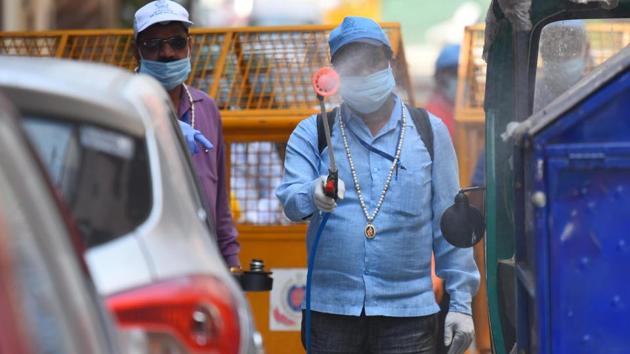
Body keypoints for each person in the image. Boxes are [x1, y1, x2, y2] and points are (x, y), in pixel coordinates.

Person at [276, 16, 479, 354]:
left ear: (391, 62)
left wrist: (461, 303)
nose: (366, 72)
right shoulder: (313, 132)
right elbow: (291, 201)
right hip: (331, 314)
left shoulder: (429, 132)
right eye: (353, 64)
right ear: (335, 75)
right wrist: (313, 193)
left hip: (409, 316)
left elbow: (451, 225)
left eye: (373, 60)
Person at [133, 0, 240, 268]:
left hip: (202, 264)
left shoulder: (205, 108)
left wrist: (231, 263)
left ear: (190, 46)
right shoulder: (122, 104)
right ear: (137, 52)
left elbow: (220, 202)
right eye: (153, 45)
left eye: (177, 42)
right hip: (146, 263)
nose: (167, 53)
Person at [533, 20, 591, 112]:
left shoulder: (595, 90)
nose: (562, 54)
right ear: (542, 51)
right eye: (551, 45)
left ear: (586, 50)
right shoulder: (530, 95)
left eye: (572, 46)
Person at [426, 43, 460, 140]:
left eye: (466, 74)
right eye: (455, 73)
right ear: (440, 78)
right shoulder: (433, 116)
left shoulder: (473, 112)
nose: (461, 80)